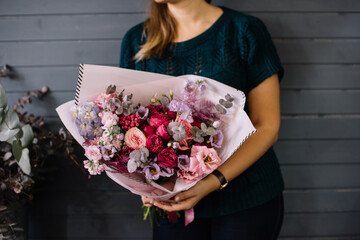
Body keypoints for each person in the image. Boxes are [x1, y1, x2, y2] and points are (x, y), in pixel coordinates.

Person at [120, 0, 285, 239]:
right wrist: (143, 184)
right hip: (171, 205)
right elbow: (128, 126)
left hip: (246, 199)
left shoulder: (243, 31)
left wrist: (213, 182)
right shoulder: (137, 40)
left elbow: (267, 126)